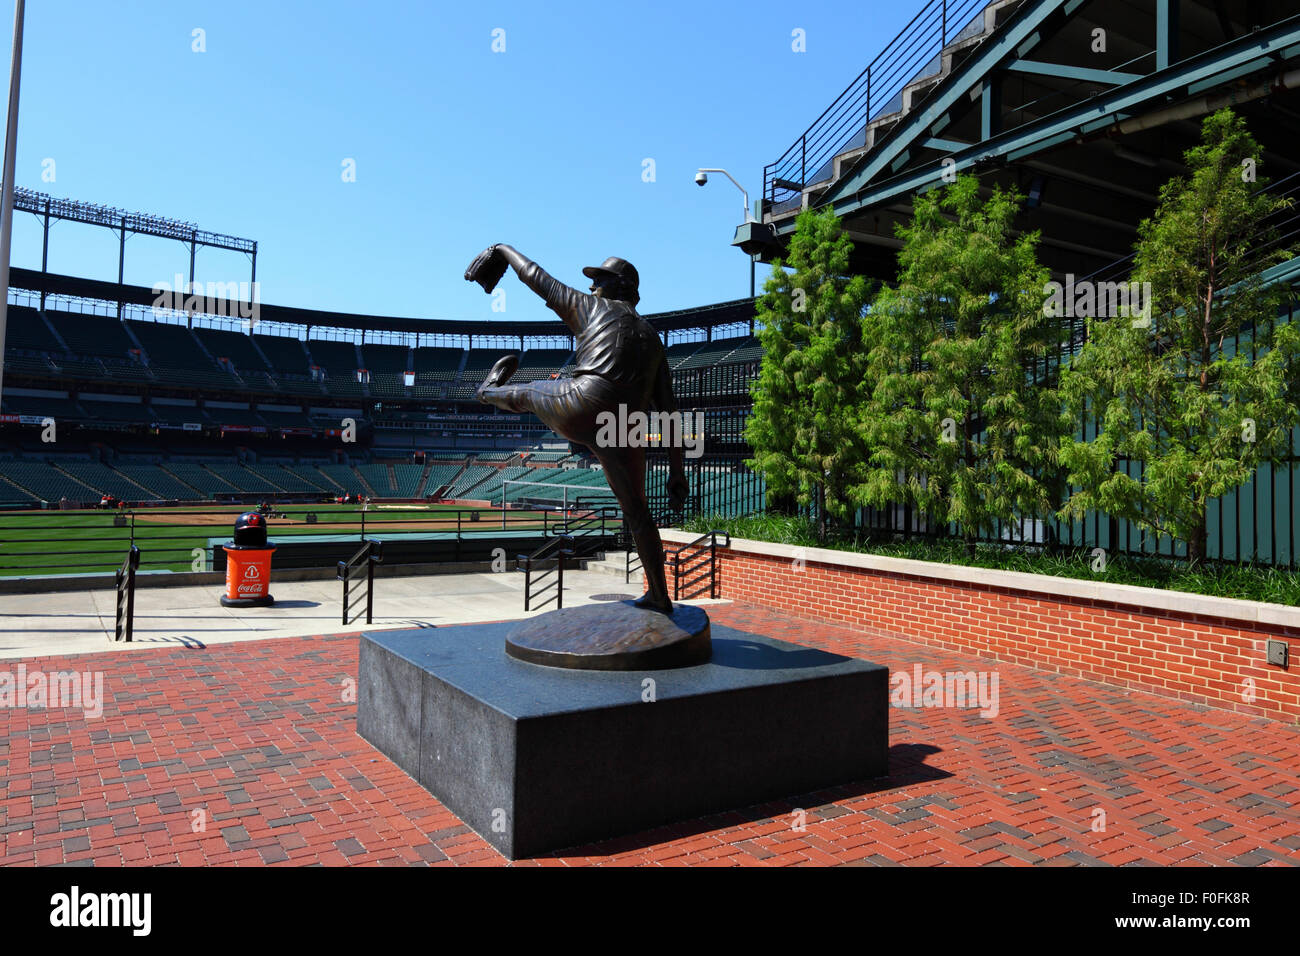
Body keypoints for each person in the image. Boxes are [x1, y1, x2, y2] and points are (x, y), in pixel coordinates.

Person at [468, 245, 689, 613]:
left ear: (617, 286)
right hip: (625, 427)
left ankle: (487, 391)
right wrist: (677, 472)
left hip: (584, 404)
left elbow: (537, 278)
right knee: (638, 511)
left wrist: (503, 250)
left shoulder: (592, 309)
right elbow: (670, 413)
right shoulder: (652, 339)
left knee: (525, 390)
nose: (591, 288)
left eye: (598, 280)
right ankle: (660, 596)